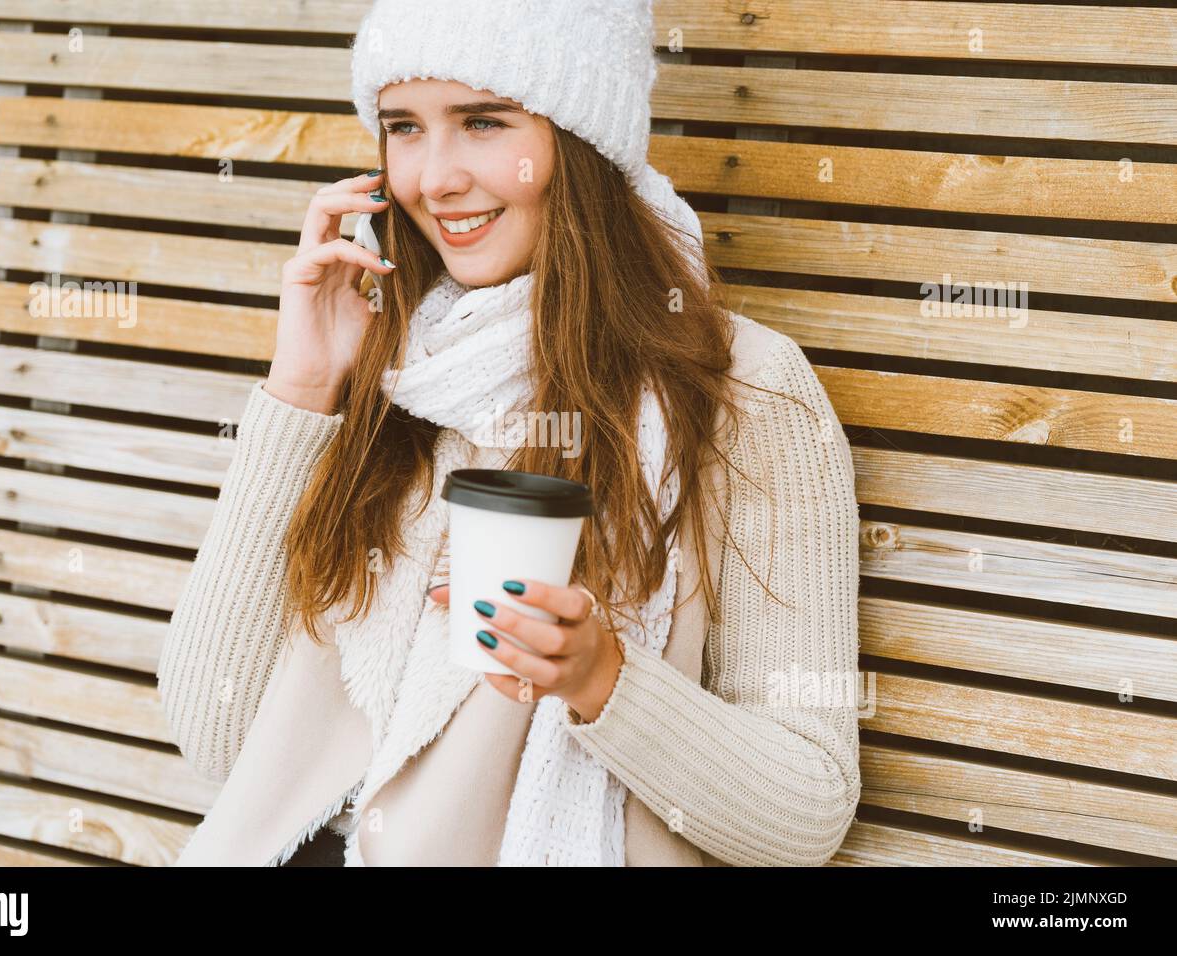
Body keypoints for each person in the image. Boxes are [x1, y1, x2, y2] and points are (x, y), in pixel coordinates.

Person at [156, 0, 862, 867]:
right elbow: (217, 738)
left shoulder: (743, 391)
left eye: (484, 122)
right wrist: (302, 392)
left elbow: (807, 811)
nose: (435, 178)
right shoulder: (394, 366)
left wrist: (604, 679)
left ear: (580, 139)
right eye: (403, 128)